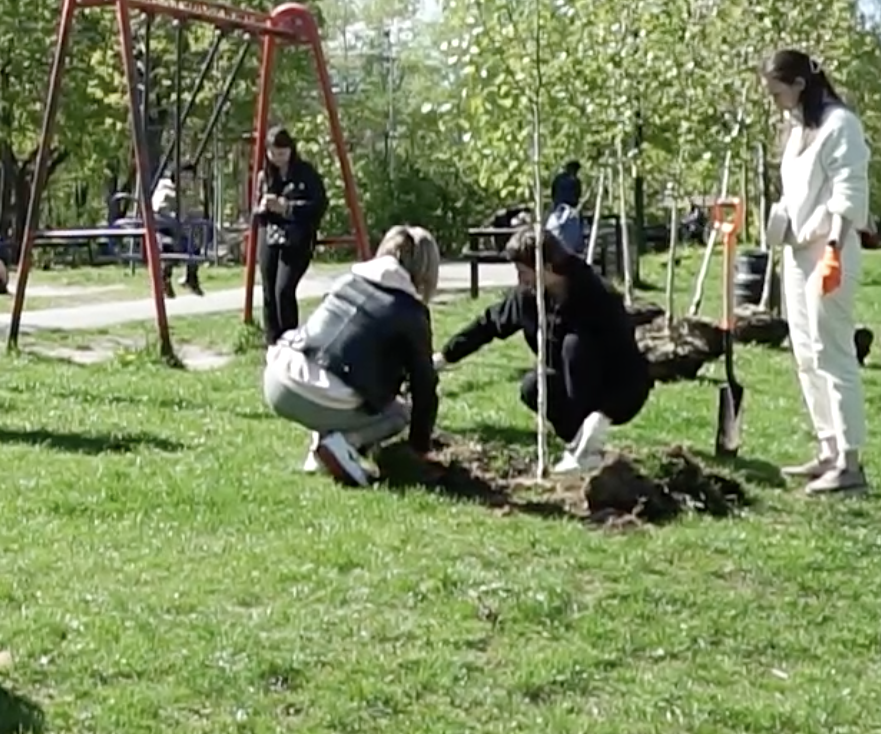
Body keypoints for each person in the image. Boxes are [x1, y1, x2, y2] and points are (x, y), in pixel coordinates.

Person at [439, 224, 652, 472]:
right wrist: (445, 356)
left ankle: (588, 438)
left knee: (574, 345)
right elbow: (488, 325)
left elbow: (629, 363)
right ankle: (580, 449)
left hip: (612, 388)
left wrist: (604, 414)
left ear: (547, 268)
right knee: (533, 385)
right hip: (567, 388)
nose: (520, 280)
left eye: (523, 272)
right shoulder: (528, 297)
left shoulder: (598, 298)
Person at [760, 48, 873, 496]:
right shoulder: (797, 129)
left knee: (833, 353)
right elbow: (798, 191)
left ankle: (850, 462)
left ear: (800, 85)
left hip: (830, 250)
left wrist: (834, 251)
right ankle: (828, 448)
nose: (775, 102)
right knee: (806, 354)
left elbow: (849, 191)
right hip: (797, 250)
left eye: (778, 93)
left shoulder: (840, 125)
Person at [261, 225, 443, 487]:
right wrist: (420, 446)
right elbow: (424, 387)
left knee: (337, 381)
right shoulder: (412, 313)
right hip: (317, 393)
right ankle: (342, 444)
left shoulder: (347, 280)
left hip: (278, 376)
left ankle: (318, 454)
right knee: (399, 411)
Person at [253, 127, 328, 338]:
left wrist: (287, 207)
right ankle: (273, 342)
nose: (278, 158)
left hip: (297, 238)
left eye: (282, 153)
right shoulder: (265, 176)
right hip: (269, 235)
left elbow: (319, 205)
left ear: (291, 150)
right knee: (269, 292)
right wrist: (262, 208)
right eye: (273, 153)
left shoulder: (305, 173)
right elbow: (254, 213)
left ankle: (290, 340)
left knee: (283, 291)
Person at [149, 165, 204, 297]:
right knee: (170, 246)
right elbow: (159, 210)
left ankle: (190, 278)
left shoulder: (186, 195)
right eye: (184, 178)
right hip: (162, 231)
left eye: (190, 179)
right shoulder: (165, 191)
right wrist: (173, 217)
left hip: (178, 232)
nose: (187, 182)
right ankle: (164, 279)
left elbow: (187, 214)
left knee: (194, 246)